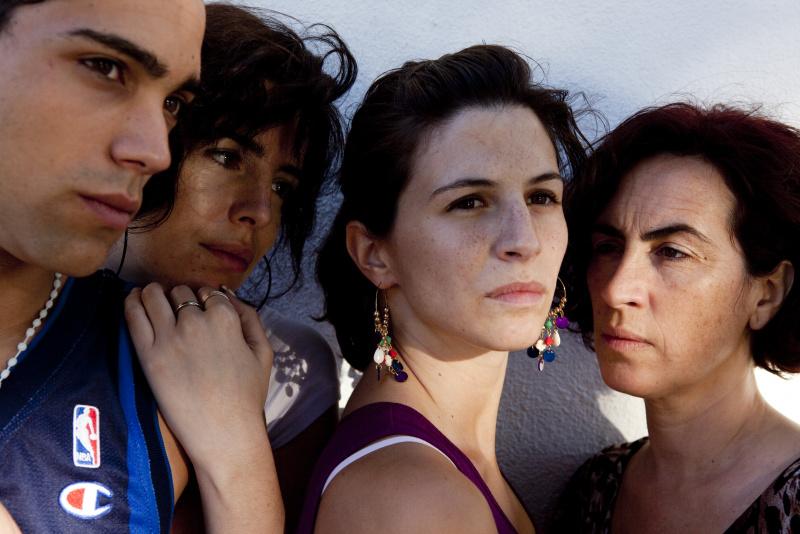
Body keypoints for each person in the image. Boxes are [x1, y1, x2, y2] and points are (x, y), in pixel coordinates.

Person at [0, 1, 282, 532]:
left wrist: (239, 460)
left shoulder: (162, 366)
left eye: (173, 103)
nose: (157, 151)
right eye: (105, 68)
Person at [298, 44, 589, 534]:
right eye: (469, 202)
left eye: (541, 196)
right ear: (374, 254)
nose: (525, 240)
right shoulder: (415, 500)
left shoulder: (433, 464)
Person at [107, 4, 355, 530]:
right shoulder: (26, 316)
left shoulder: (290, 373)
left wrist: (236, 435)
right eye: (226, 157)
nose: (260, 212)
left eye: (282, 187)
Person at [554, 103, 800, 533]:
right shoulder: (595, 487)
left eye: (672, 252)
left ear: (767, 294)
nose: (615, 290)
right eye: (608, 247)